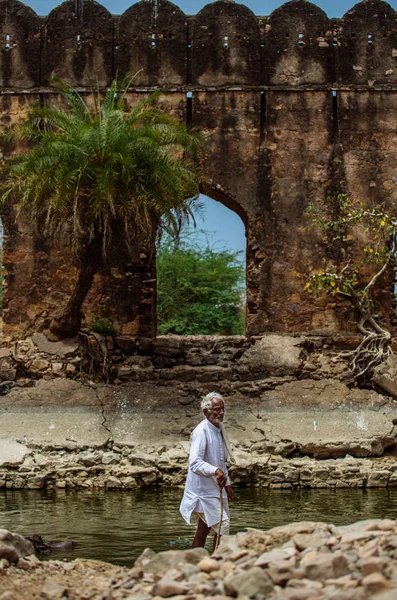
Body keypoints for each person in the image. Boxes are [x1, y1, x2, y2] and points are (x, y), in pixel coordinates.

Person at [180, 391, 235, 550]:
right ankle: (218, 563)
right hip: (203, 491)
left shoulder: (218, 429)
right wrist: (215, 471)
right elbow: (195, 463)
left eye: (222, 409)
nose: (221, 412)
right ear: (206, 411)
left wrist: (227, 484)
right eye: (217, 409)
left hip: (215, 488)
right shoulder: (201, 431)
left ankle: (192, 562)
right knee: (222, 528)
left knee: (203, 531)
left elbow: (220, 460)